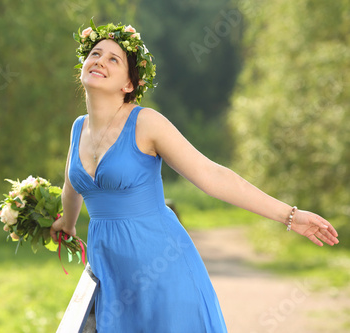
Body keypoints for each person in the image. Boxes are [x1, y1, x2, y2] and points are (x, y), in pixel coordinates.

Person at [50, 21, 339, 332]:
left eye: (113, 59)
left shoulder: (146, 123)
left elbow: (212, 176)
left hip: (163, 271)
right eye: (95, 53)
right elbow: (72, 186)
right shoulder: (79, 128)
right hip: (112, 277)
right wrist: (66, 224)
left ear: (129, 85)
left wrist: (289, 215)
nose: (100, 62)